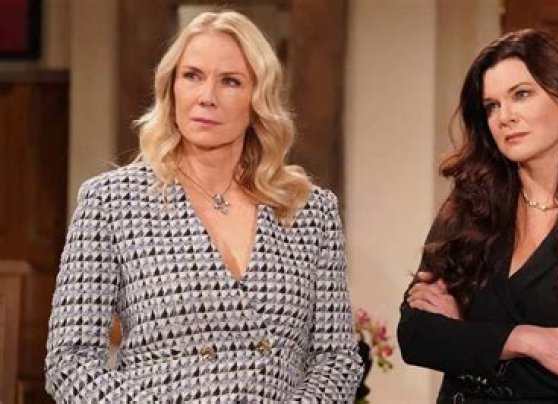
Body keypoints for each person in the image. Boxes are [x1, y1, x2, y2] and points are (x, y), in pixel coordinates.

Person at [45, 11, 361, 402]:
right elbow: (70, 361)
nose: (206, 97)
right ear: (171, 88)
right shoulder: (111, 202)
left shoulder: (310, 210)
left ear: (257, 99)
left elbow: (337, 359)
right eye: (192, 76)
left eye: (230, 81)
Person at [397, 29, 558, 404]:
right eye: (492, 106)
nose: (505, 117)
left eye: (521, 94)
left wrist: (463, 333)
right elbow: (416, 337)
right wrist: (526, 340)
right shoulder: (469, 206)